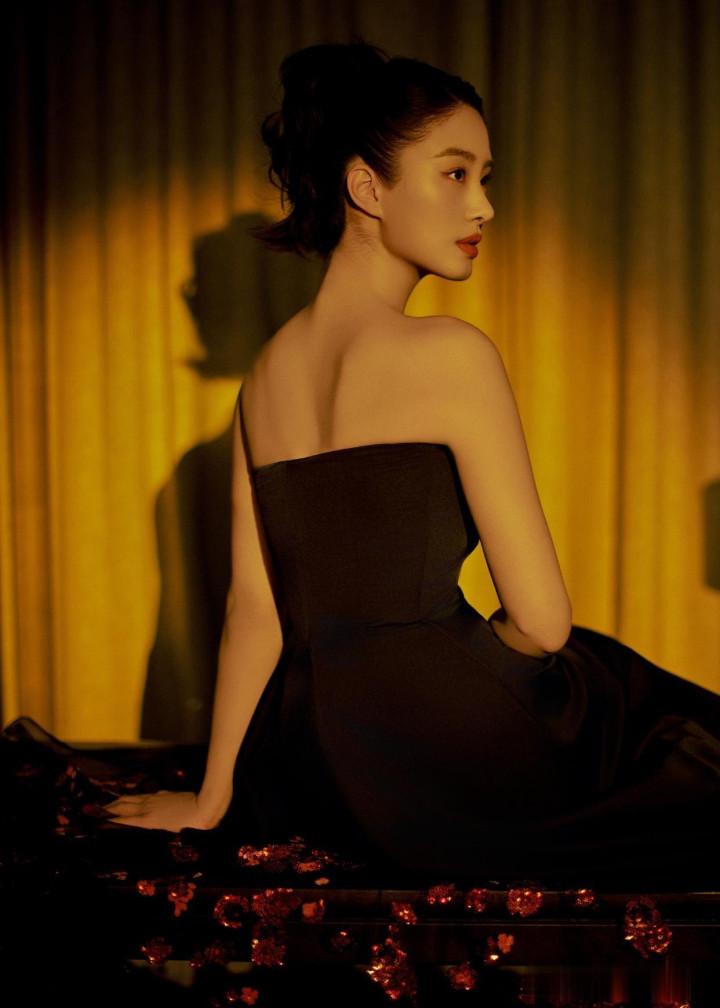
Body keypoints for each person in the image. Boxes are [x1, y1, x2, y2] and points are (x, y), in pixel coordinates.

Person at [105, 41, 720, 887]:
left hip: (312, 749)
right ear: (367, 187)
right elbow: (541, 623)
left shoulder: (266, 378)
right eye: (456, 173)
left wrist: (213, 799)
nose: (485, 207)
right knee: (646, 712)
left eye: (485, 178)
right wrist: (456, 673)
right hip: (444, 744)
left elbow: (256, 610)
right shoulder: (449, 354)